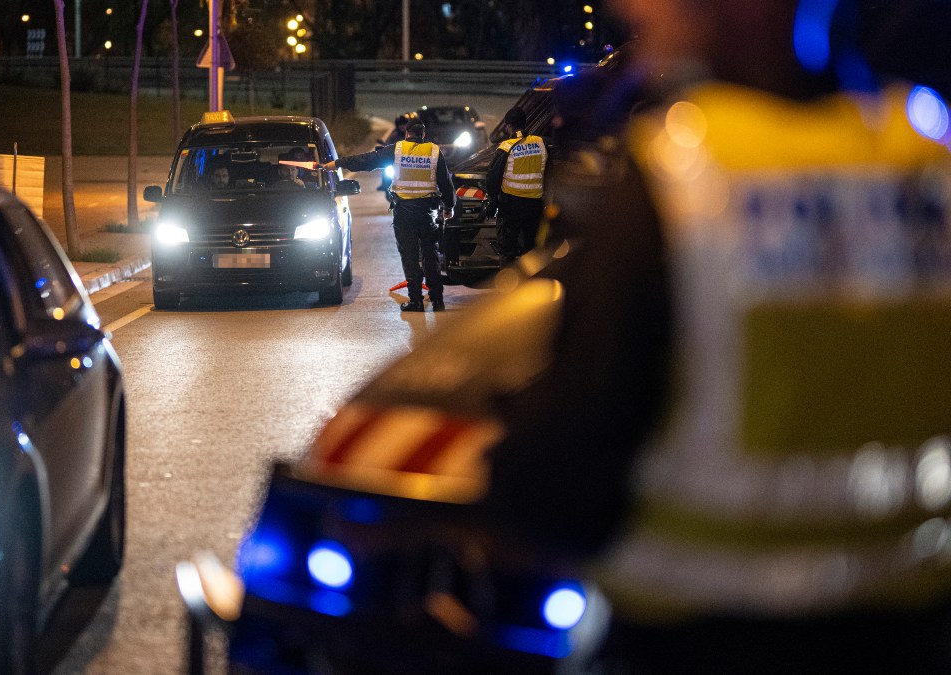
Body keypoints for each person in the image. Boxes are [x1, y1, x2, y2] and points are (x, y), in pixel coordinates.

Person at [478, 0, 951, 671]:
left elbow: (562, 480)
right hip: (911, 638)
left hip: (701, 640)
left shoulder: (683, 179)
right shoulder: (930, 164)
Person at [322, 121, 455, 312]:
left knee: (409, 256)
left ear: (407, 134)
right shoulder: (434, 152)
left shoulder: (397, 150)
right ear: (423, 135)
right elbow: (445, 181)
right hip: (427, 212)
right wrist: (449, 206)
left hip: (404, 212)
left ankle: (416, 301)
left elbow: (367, 161)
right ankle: (437, 300)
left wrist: (337, 164)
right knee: (430, 254)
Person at [485, 106, 548, 262]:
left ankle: (509, 284)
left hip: (511, 207)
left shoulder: (506, 147)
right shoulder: (540, 143)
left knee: (507, 251)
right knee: (532, 251)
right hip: (535, 205)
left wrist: (492, 200)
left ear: (509, 126)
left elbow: (492, 180)